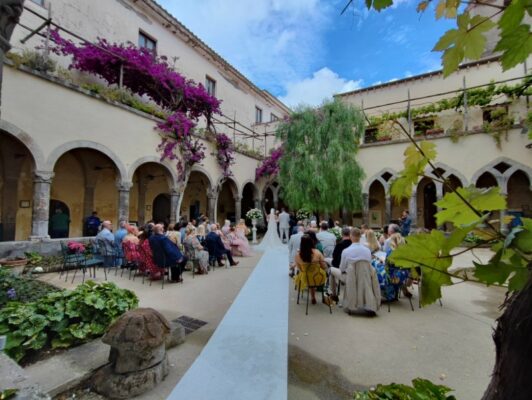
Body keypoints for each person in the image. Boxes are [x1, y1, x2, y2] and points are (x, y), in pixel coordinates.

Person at [329, 228, 372, 302]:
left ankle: (334, 295)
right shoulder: (367, 250)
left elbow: (342, 269)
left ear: (351, 236)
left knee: (330, 270)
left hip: (350, 277)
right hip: (364, 276)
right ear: (360, 237)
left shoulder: (346, 251)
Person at [294, 234, 327, 305]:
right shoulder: (317, 252)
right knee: (316, 273)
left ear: (301, 244)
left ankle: (312, 297)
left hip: (305, 279)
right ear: (312, 242)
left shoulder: (297, 256)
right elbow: (324, 267)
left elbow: (300, 269)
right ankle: (322, 296)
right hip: (319, 278)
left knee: (306, 275)